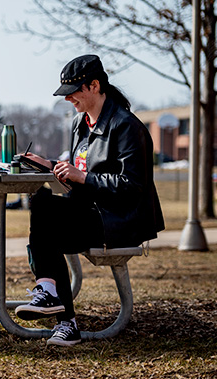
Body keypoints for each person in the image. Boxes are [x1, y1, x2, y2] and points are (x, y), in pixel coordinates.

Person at [14, 55, 165, 346]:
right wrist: (49, 166)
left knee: (49, 231)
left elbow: (133, 187)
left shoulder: (127, 127)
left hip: (120, 219)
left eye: (73, 92)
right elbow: (80, 173)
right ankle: (51, 297)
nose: (68, 98)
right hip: (91, 211)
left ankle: (61, 314)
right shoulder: (79, 123)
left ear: (94, 85)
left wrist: (82, 178)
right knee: (42, 201)